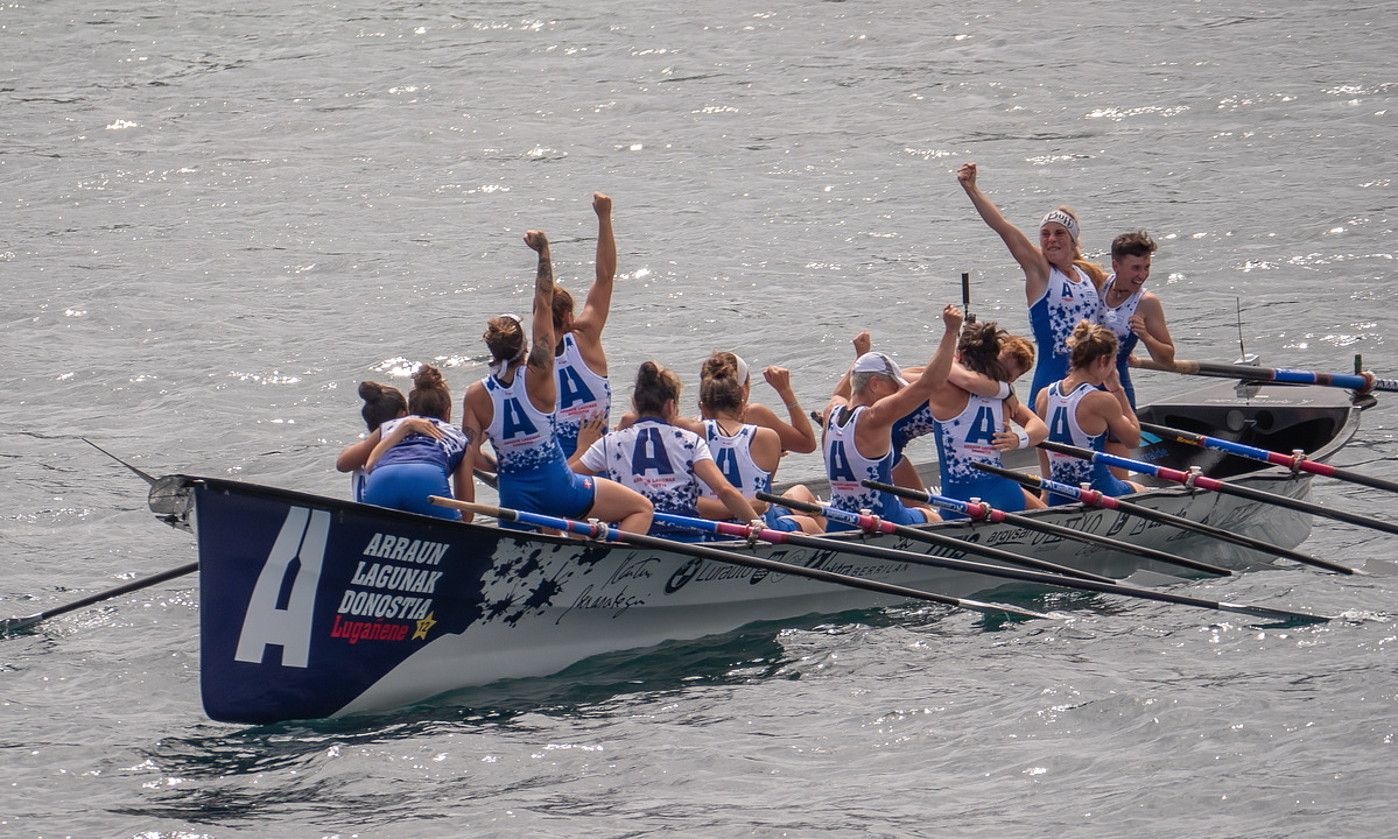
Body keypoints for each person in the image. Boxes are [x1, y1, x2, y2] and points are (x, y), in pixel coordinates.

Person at [462, 230, 653, 533]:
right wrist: (544, 252)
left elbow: (468, 454)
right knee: (642, 508)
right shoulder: (541, 370)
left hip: (514, 491)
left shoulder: (475, 395)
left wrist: (502, 471)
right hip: (562, 479)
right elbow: (545, 301)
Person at [957, 161, 1105, 407]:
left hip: (1093, 380)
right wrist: (972, 189)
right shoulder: (1041, 272)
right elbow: (1004, 229)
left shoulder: (1088, 276)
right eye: (1045, 233)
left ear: (1073, 240)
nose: (1051, 239)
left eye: (1059, 233)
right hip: (1053, 380)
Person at [571, 361, 760, 541]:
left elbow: (566, 481)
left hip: (629, 539)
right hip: (685, 539)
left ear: (636, 405)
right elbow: (725, 490)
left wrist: (582, 448)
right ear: (671, 406)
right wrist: (758, 525)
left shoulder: (609, 443)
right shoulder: (690, 441)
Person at [821, 304, 964, 531]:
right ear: (875, 384)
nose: (897, 392)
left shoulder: (831, 412)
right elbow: (931, 383)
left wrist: (860, 358)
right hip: (883, 521)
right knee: (932, 516)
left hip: (838, 524)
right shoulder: (874, 418)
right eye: (894, 386)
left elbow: (839, 392)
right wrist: (950, 332)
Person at [928, 321, 1049, 518]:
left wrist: (1017, 440)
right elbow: (1041, 428)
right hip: (1004, 492)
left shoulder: (943, 386)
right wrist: (1021, 440)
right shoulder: (1004, 399)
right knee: (1044, 513)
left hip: (960, 501)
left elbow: (939, 366)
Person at [695, 352, 822, 533]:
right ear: (742, 389)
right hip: (756, 518)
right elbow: (808, 444)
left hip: (712, 516)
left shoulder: (690, 429)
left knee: (800, 492)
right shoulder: (755, 415)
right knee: (809, 518)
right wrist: (785, 391)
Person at [1035, 321, 1146, 505]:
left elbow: (1042, 446)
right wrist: (1118, 390)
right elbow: (1133, 440)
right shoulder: (1102, 400)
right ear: (1102, 361)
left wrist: (1046, 492)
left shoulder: (1043, 395)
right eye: (1113, 362)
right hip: (1099, 491)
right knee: (1140, 489)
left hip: (1058, 493)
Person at [553, 192, 619, 458]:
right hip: (596, 461)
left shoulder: (529, 365)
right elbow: (605, 277)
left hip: (556, 469)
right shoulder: (586, 336)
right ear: (569, 317)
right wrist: (604, 218)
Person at [360, 365, 472, 520]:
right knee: (460, 529)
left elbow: (369, 467)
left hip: (381, 480)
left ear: (410, 411)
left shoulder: (392, 427)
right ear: (448, 412)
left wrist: (405, 427)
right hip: (427, 478)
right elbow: (467, 512)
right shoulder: (460, 438)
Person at [1097, 230, 1175, 409]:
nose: (1142, 275)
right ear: (1116, 265)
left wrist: (1145, 336)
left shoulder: (1147, 302)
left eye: (1146, 267)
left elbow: (1168, 359)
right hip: (1083, 384)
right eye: (1136, 268)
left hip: (1117, 386)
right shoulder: (1098, 282)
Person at [336, 380, 408, 502]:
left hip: (372, 509)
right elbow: (342, 464)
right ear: (402, 415)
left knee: (358, 467)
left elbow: (342, 464)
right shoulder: (415, 444)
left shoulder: (366, 451)